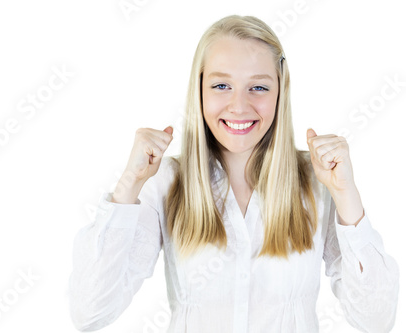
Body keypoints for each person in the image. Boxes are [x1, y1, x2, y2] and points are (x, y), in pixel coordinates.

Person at [68, 14, 399, 332]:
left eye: (258, 88)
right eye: (222, 85)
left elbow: (375, 320)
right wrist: (129, 184)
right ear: (199, 92)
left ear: (281, 93)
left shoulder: (318, 183)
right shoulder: (165, 184)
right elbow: (90, 311)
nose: (239, 106)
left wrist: (346, 194)